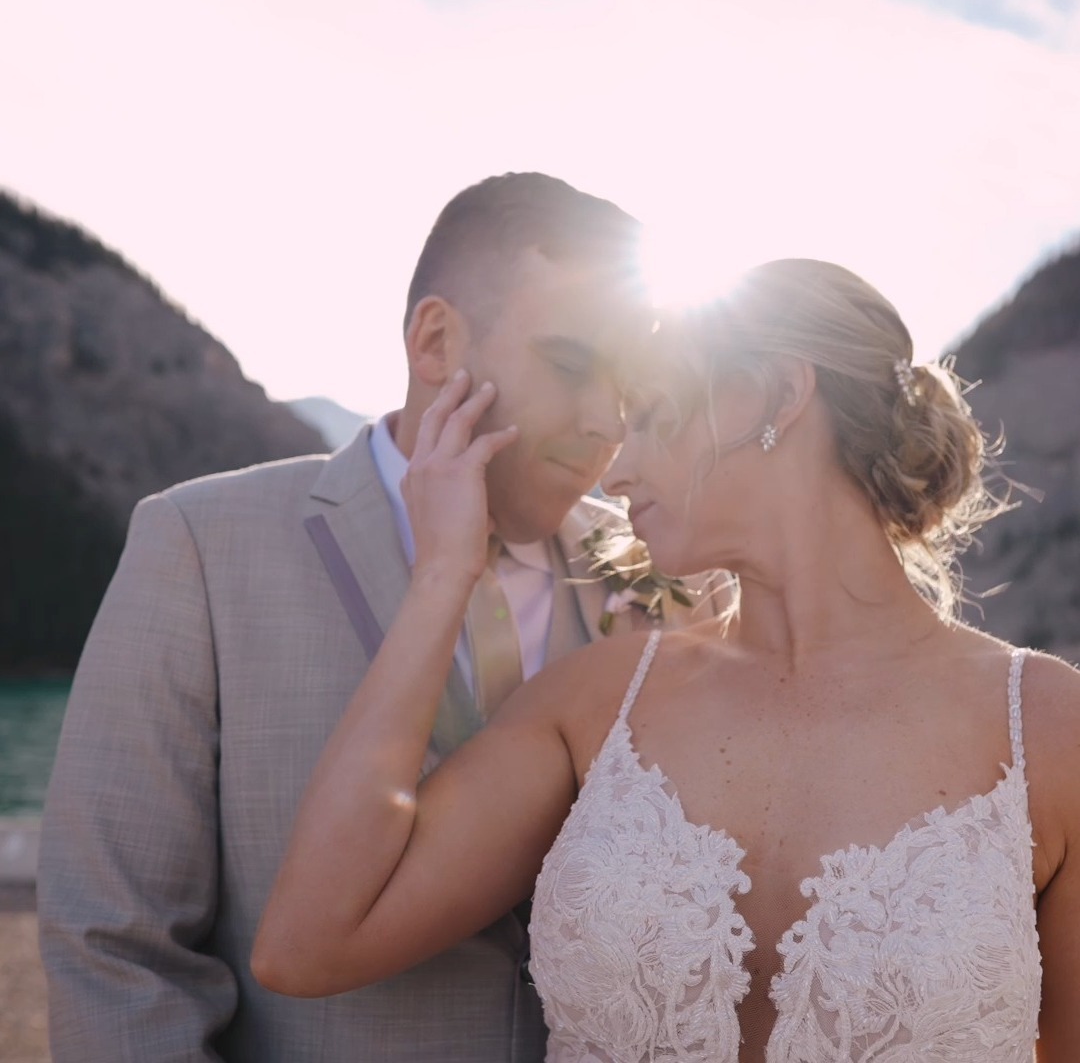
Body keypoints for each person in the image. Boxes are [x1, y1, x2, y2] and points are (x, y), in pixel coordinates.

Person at [253, 258, 1080, 1061]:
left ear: (778, 394)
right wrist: (441, 576)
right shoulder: (595, 704)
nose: (616, 473)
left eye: (650, 416)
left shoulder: (1044, 726)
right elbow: (308, 944)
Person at [38, 172, 701, 1062]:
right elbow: (114, 949)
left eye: (627, 386)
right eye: (572, 365)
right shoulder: (200, 546)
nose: (605, 424)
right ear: (435, 341)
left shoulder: (661, 578)